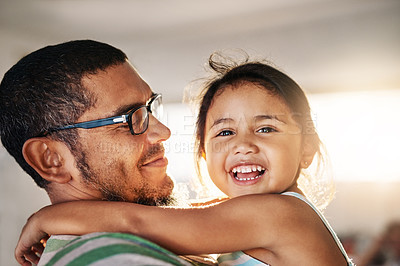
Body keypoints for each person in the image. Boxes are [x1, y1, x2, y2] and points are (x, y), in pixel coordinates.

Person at [14, 53, 355, 265]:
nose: (243, 145)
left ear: (307, 148)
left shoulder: (281, 213)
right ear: (204, 154)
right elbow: (184, 216)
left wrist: (48, 218)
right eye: (224, 132)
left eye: (266, 129)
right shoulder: (258, 212)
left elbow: (140, 222)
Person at [0, 40, 215, 265]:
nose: (163, 132)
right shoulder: (115, 259)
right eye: (129, 118)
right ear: (51, 160)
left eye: (149, 108)